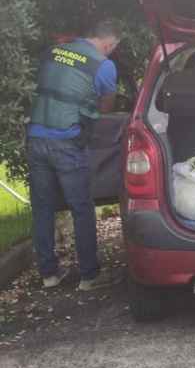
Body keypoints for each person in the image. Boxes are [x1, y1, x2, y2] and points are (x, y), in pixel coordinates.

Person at [27, 19, 123, 292]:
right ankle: (89, 276)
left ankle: (49, 275)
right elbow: (105, 107)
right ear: (109, 43)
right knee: (81, 208)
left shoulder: (54, 51)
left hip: (36, 137)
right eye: (114, 47)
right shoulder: (103, 65)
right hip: (67, 141)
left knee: (42, 208)